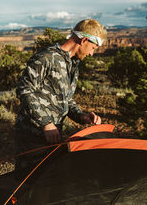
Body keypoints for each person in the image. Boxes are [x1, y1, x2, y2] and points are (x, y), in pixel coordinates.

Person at [14, 18, 106, 173]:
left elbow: (66, 100)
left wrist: (82, 116)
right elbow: (25, 90)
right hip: (32, 134)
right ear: (83, 40)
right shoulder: (46, 57)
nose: (91, 54)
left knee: (47, 182)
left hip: (54, 134)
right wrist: (46, 123)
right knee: (28, 183)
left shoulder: (72, 64)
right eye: (92, 48)